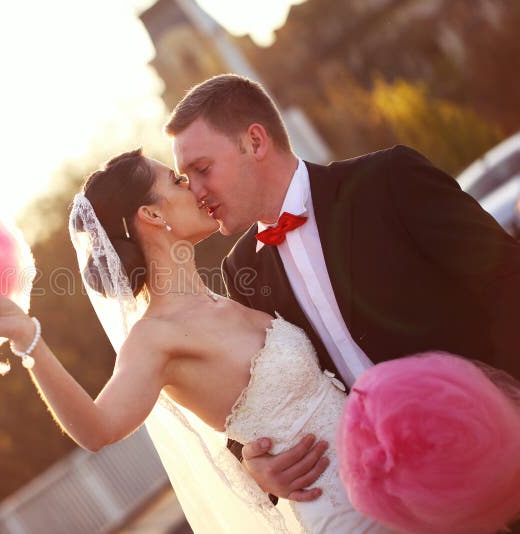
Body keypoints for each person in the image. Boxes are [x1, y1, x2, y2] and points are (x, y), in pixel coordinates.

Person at [0, 149, 392, 533]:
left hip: (392, 473)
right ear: (154, 215)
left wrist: (251, 464)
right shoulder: (154, 338)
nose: (196, 188)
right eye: (179, 181)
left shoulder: (230, 294)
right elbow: (97, 428)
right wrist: (29, 341)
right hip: (344, 515)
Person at [165, 73, 520, 507]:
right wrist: (253, 466)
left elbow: (507, 279)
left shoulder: (388, 180)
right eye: (186, 179)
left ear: (255, 142)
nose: (197, 192)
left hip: (500, 441)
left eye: (202, 170)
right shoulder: (242, 269)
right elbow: (250, 395)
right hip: (397, 502)